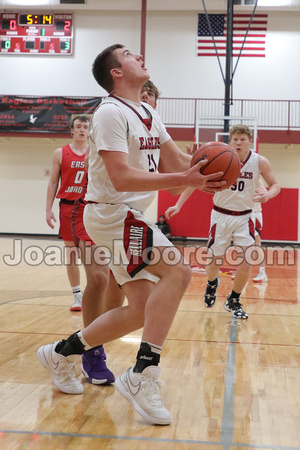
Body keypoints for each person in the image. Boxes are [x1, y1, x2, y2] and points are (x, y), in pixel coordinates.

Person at [38, 43, 225, 425]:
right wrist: (183, 176)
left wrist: (207, 170)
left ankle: (61, 352)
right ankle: (143, 373)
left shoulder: (148, 112)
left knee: (140, 308)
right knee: (179, 272)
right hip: (111, 213)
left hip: (126, 215)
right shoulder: (109, 113)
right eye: (127, 53)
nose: (138, 54)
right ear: (116, 72)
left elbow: (176, 173)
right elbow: (121, 177)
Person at [69, 80, 158, 385]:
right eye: (140, 93)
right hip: (94, 208)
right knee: (97, 277)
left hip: (128, 217)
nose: (142, 99)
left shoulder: (151, 137)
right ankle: (91, 353)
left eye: (149, 96)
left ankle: (90, 343)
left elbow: (172, 183)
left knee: (123, 286)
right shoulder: (113, 119)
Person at [166, 125, 280, 319]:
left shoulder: (259, 162)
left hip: (245, 216)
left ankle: (233, 300)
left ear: (249, 141)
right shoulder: (221, 159)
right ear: (230, 141)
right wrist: (178, 205)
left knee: (247, 260)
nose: (238, 142)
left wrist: (268, 194)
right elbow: (193, 183)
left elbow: (275, 184)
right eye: (235, 139)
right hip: (220, 215)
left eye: (242, 139)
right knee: (214, 261)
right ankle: (212, 282)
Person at [46, 115, 89, 311]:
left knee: (93, 254)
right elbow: (53, 182)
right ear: (71, 131)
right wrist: (48, 209)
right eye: (78, 126)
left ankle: (94, 293)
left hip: (90, 207)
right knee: (72, 253)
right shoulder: (60, 153)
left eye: (85, 127)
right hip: (68, 207)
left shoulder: (95, 152)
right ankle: (77, 296)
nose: (82, 130)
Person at [252, 178, 268, 283]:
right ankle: (242, 271)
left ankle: (263, 273)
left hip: (255, 213)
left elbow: (265, 193)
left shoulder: (257, 178)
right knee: (242, 244)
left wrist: (259, 194)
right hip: (244, 213)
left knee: (257, 244)